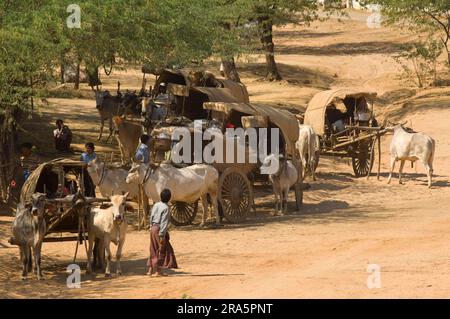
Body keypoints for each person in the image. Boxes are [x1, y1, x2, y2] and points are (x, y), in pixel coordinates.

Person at [147, 188, 178, 276]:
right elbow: (164, 222)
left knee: (153, 248)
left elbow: (151, 216)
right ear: (169, 198)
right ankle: (158, 271)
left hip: (153, 227)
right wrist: (162, 234)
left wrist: (151, 226)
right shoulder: (166, 208)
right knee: (161, 250)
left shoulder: (156, 204)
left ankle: (150, 270)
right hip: (159, 229)